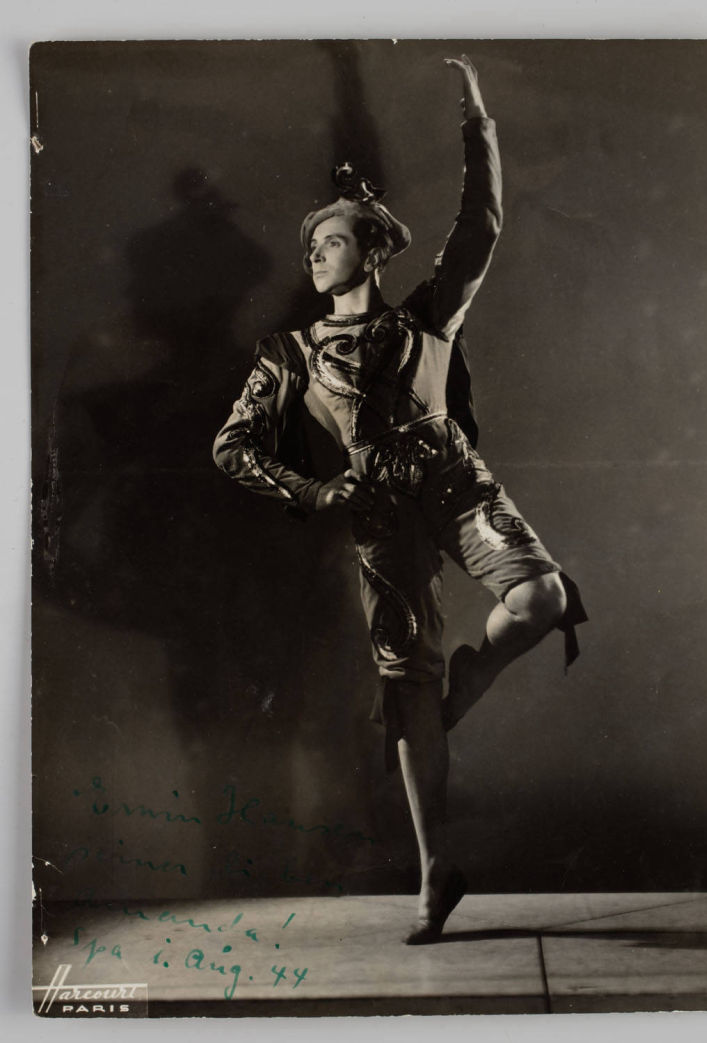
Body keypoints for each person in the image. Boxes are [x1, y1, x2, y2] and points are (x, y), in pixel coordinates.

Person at [213, 55, 587, 944]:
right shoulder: (289, 353)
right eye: (311, 246)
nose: (316, 254)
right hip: (378, 519)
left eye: (332, 241)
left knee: (542, 597)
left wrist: (476, 119)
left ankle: (474, 673)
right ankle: (433, 870)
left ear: (374, 249)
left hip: (455, 483)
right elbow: (231, 446)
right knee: (408, 681)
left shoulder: (425, 318)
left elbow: (482, 225)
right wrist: (316, 487)